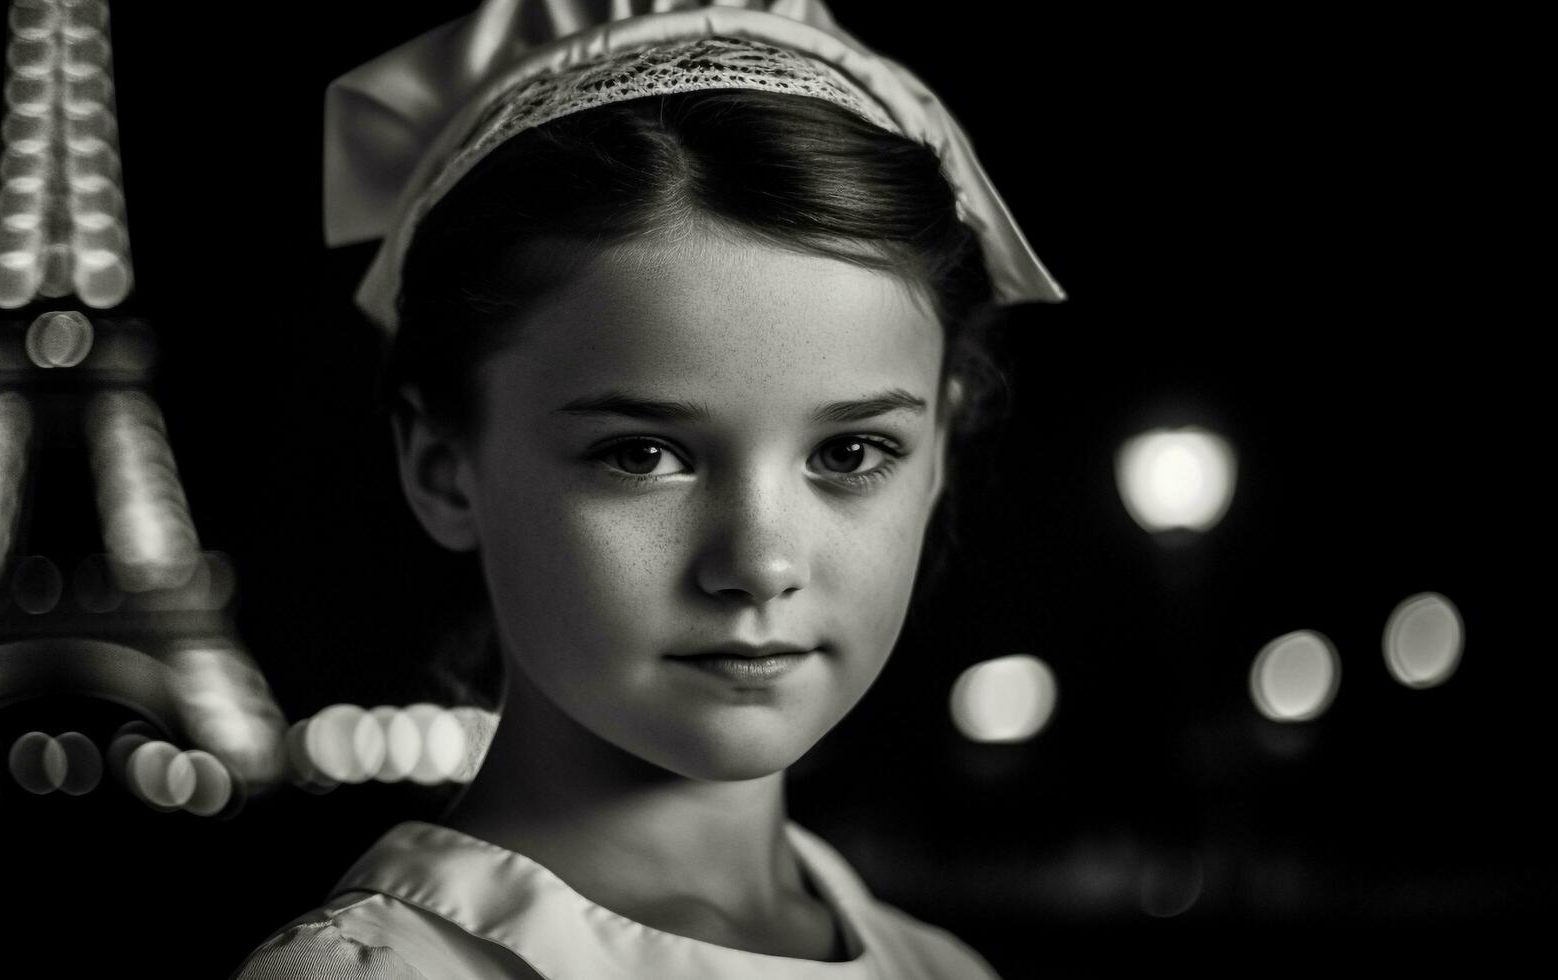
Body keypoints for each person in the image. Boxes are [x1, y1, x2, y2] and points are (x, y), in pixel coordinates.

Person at [234, 1, 1064, 976]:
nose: (758, 563)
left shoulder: (942, 968)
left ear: (938, 455)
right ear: (440, 464)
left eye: (847, 453)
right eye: (640, 453)